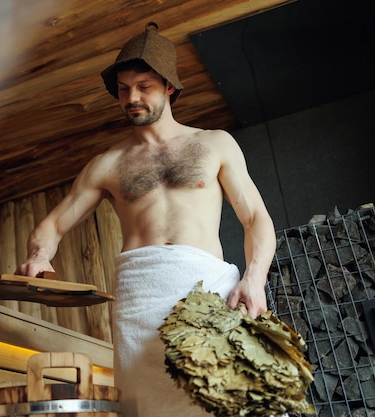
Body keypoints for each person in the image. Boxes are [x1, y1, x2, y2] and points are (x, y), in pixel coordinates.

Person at [16, 22, 276, 417]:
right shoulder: (107, 165)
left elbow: (256, 216)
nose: (131, 98)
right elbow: (50, 227)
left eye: (144, 86)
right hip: (140, 300)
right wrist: (39, 256)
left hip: (207, 293)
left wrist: (254, 279)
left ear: (169, 86)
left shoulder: (214, 143)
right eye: (123, 89)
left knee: (233, 402)